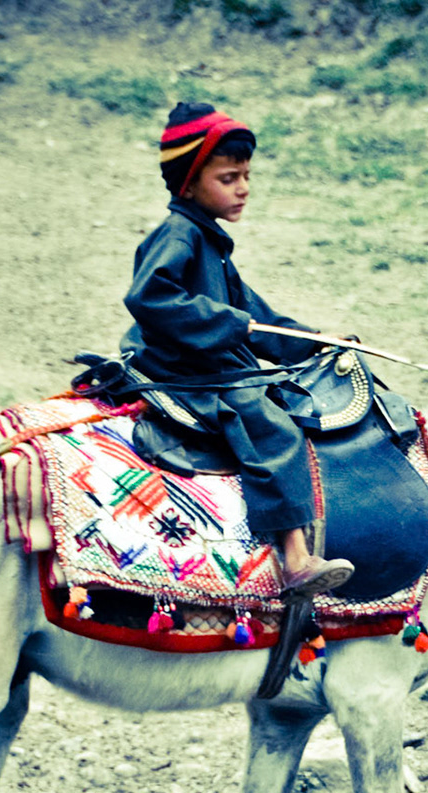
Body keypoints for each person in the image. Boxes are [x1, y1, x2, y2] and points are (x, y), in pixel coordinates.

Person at [122, 101, 354, 596]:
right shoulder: (177, 235)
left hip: (208, 357)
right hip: (183, 367)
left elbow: (258, 317)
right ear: (188, 183)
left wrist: (316, 343)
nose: (243, 188)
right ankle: (295, 557)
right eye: (229, 178)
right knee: (270, 425)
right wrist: (230, 324)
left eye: (246, 175)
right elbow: (150, 297)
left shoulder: (210, 241)